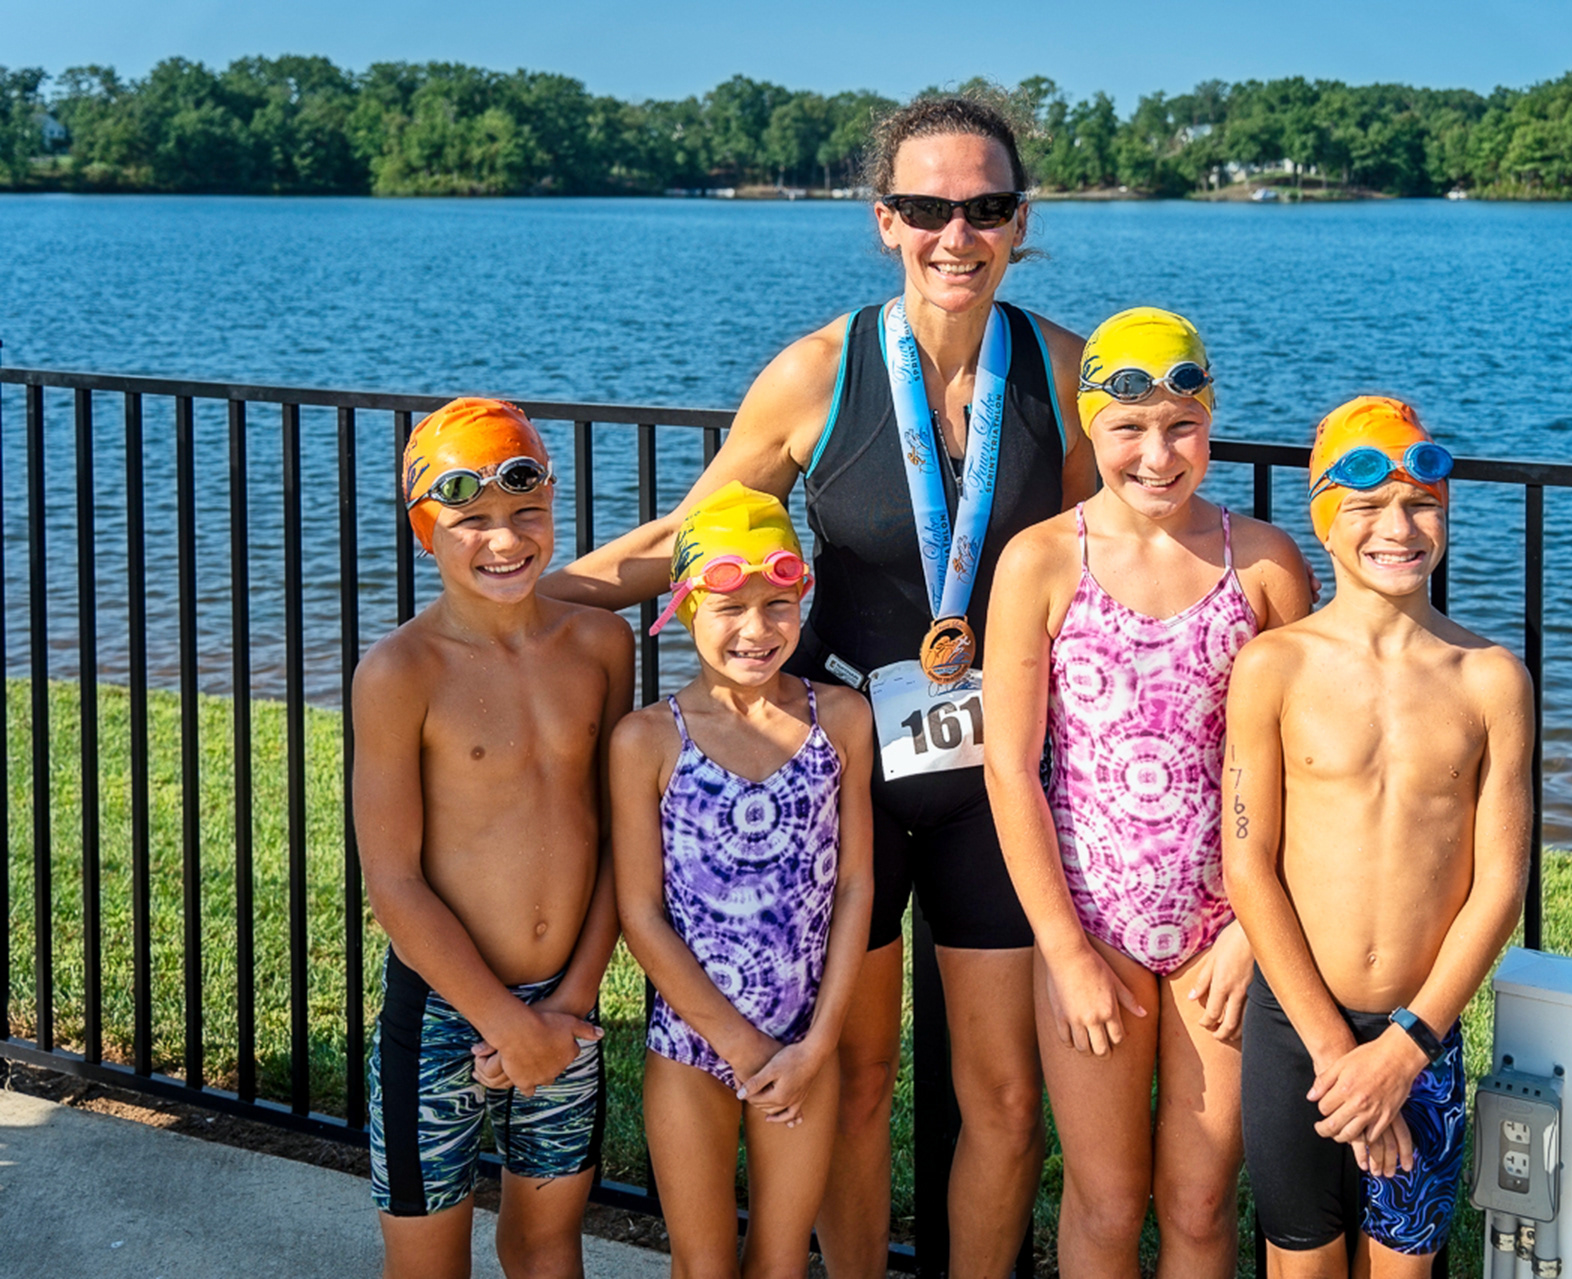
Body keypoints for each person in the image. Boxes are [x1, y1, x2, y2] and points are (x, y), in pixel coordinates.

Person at [546, 93, 1095, 1278]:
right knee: (854, 1078)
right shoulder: (818, 371)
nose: (956, 235)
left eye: (985, 208)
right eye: (927, 209)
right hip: (842, 763)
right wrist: (528, 600)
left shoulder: (1064, 373)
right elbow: (690, 538)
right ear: (884, 220)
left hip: (999, 777)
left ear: (1020, 220)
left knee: (1006, 1101)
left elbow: (1125, 547)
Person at [983, 309, 1313, 1277]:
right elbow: (1010, 766)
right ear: (1092, 426)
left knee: (1202, 1204)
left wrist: (1253, 936)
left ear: (1211, 422)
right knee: (1105, 1202)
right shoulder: (1042, 561)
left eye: (1183, 427)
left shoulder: (1264, 565)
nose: (1158, 455)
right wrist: (1064, 951)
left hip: (1225, 933)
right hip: (1095, 932)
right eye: (1129, 428)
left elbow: (1305, 770)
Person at [1221, 396, 1533, 1277]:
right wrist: (1337, 1052)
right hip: (1297, 1030)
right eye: (1367, 506)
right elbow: (1247, 862)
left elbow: (1500, 884)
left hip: (1421, 1032)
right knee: (1303, 1264)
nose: (1398, 528)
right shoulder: (1274, 666)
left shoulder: (1491, 679)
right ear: (1324, 519)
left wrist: (1402, 1051)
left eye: (1421, 504)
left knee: (1403, 1265)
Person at [354, 397, 635, 1279]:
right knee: (428, 1264)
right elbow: (394, 882)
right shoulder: (400, 672)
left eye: (527, 511)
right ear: (425, 533)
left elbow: (619, 838)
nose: (505, 539)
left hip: (566, 1006)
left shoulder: (601, 644)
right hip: (443, 1012)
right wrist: (504, 1022)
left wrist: (568, 1003)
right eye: (470, 520)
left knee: (548, 1245)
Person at [609, 482, 874, 1278]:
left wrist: (817, 1043)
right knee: (703, 1266)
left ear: (802, 599)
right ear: (686, 606)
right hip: (692, 1046)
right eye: (729, 608)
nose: (756, 630)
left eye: (777, 605)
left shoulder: (841, 720)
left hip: (803, 1046)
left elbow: (856, 885)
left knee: (781, 1262)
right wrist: (741, 1045)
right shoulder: (647, 740)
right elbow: (640, 912)